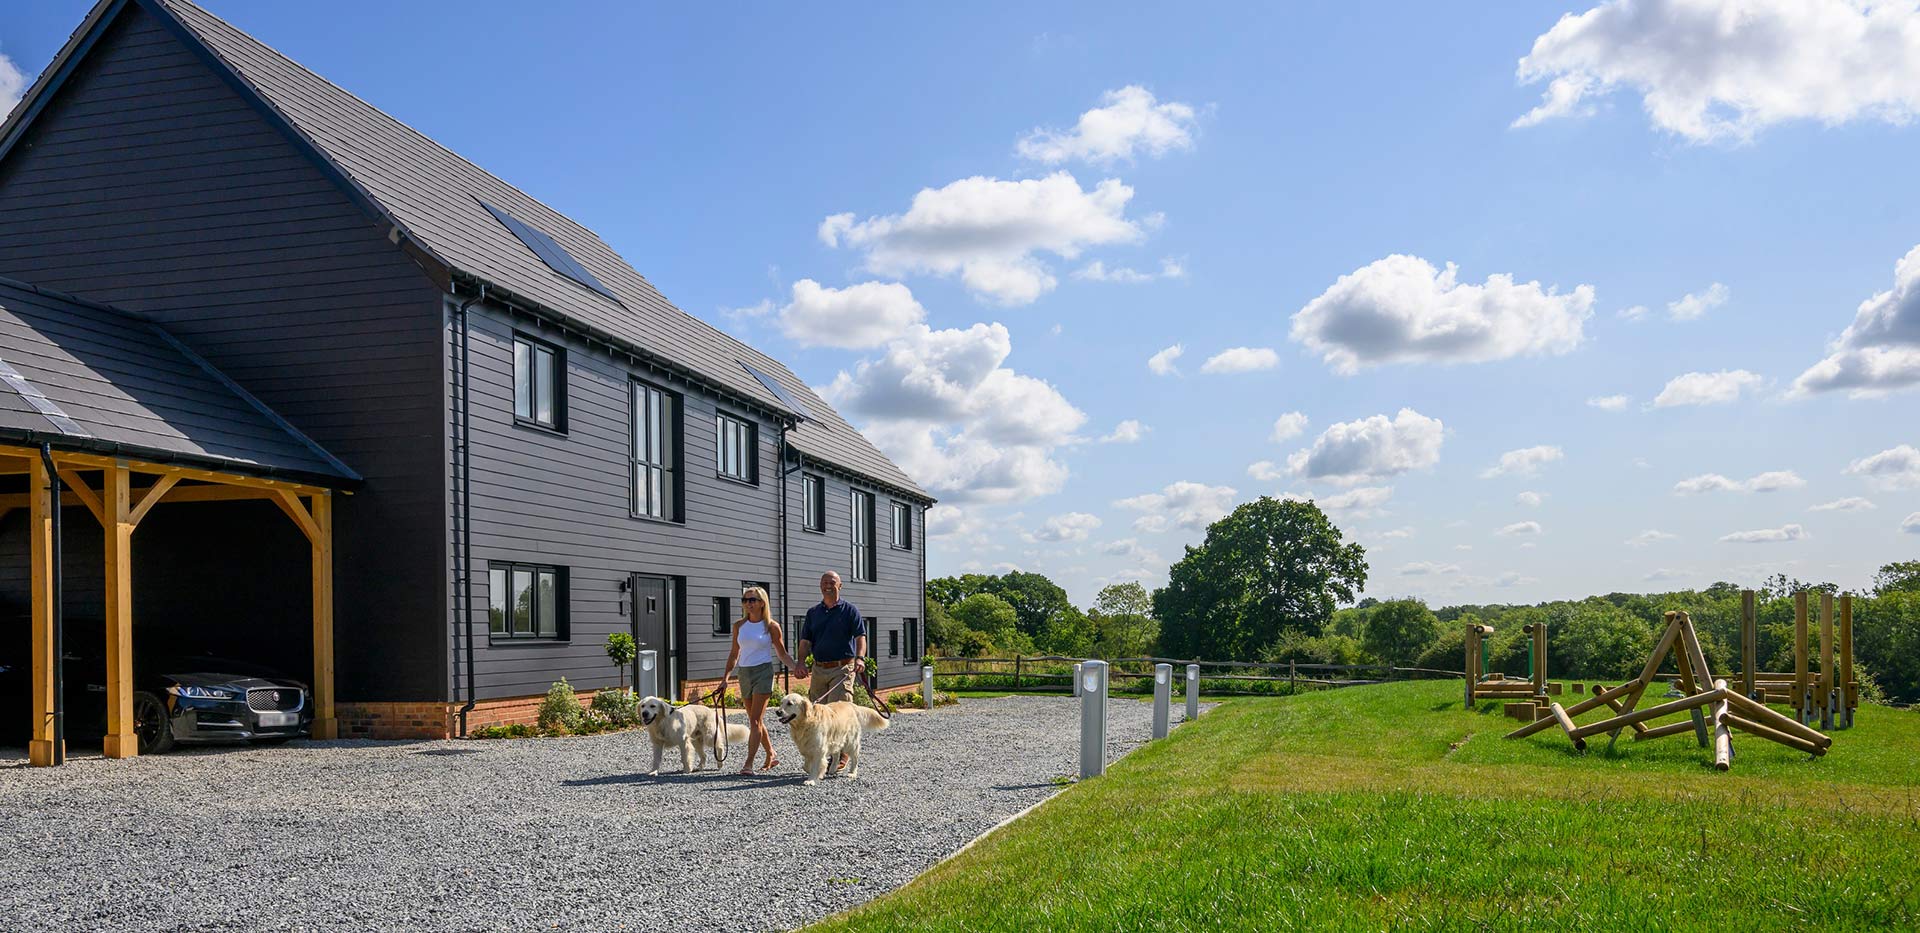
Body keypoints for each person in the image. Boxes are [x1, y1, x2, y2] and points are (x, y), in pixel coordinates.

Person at [719, 586, 803, 776]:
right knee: (754, 719)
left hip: (763, 672)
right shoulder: (738, 626)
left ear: (762, 602)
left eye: (752, 600)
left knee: (755, 720)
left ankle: (748, 764)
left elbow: (781, 653)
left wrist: (796, 667)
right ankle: (771, 754)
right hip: (744, 673)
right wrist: (725, 678)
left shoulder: (771, 626)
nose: (748, 603)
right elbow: (734, 653)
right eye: (745, 600)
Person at [795, 572, 869, 772]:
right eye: (824, 583)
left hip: (842, 667)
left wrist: (860, 658)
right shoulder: (813, 613)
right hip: (819, 668)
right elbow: (805, 642)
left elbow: (860, 637)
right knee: (816, 713)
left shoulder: (850, 610)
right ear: (820, 586)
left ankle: (843, 754)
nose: (828, 586)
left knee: (839, 711)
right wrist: (800, 662)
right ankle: (820, 754)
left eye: (832, 583)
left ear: (840, 586)